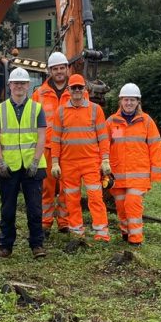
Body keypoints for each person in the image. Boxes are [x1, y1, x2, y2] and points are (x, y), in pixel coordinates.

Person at [49, 73, 111, 250]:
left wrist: (105, 159)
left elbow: (103, 137)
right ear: (68, 90)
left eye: (80, 87)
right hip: (68, 164)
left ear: (86, 90)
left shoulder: (95, 110)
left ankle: (101, 231)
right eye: (74, 87)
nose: (77, 91)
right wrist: (55, 162)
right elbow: (55, 139)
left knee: (95, 197)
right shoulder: (60, 111)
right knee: (71, 198)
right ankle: (77, 230)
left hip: (91, 162)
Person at [0, 67, 47, 259]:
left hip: (33, 166)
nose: (19, 87)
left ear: (28, 86)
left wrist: (35, 162)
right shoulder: (0, 109)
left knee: (35, 208)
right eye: (16, 83)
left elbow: (41, 138)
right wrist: (1, 162)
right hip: (9, 166)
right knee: (7, 208)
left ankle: (37, 245)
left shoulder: (37, 108)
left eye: (22, 83)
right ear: (10, 86)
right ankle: (5, 246)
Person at [32, 51, 87, 238]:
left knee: (68, 188)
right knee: (46, 188)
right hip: (47, 147)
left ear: (67, 68)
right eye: (55, 69)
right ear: (50, 71)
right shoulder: (39, 93)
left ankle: (64, 221)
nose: (59, 72)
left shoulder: (77, 90)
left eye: (62, 68)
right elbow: (32, 121)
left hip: (69, 148)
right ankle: (45, 222)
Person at [108, 83, 161, 247]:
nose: (129, 103)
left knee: (132, 204)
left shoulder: (146, 121)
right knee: (121, 206)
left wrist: (156, 173)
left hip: (139, 175)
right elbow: (103, 147)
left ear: (138, 102)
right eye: (126, 100)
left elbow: (155, 147)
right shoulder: (111, 122)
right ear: (121, 101)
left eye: (132, 100)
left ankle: (135, 239)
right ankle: (126, 232)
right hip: (117, 175)